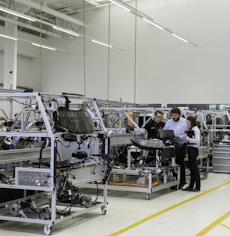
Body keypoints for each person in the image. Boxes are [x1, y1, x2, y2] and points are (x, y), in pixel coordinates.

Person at [164, 107, 188, 189]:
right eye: (172, 115)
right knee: (172, 162)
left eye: (175, 115)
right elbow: (164, 131)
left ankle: (182, 181)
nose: (173, 117)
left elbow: (187, 133)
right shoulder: (169, 122)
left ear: (179, 114)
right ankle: (174, 180)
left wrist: (180, 137)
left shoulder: (184, 122)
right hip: (171, 144)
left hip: (181, 144)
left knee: (180, 162)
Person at [182, 116, 201, 192]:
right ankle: (191, 185)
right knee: (192, 169)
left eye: (188, 122)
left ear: (191, 122)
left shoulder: (196, 129)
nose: (187, 124)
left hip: (193, 149)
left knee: (195, 169)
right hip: (190, 149)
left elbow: (197, 141)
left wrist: (187, 139)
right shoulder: (192, 129)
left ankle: (198, 186)